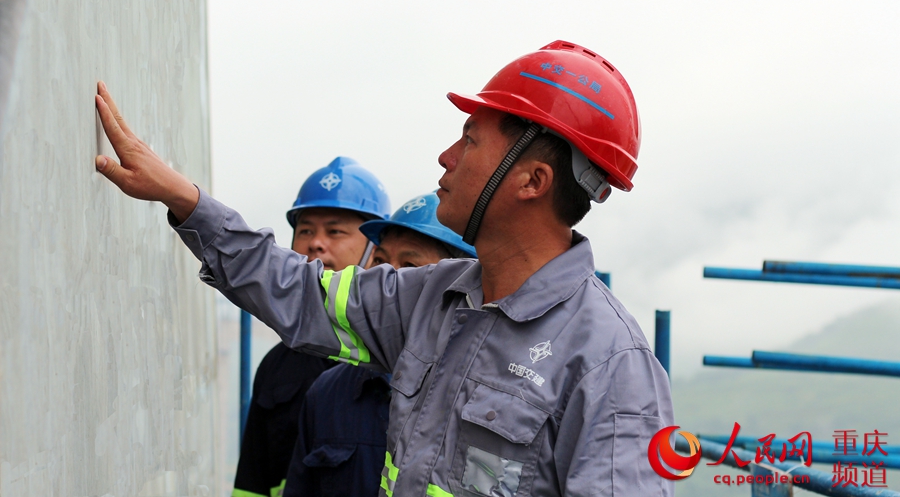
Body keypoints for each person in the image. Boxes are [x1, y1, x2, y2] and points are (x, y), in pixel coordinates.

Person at [94, 40, 676, 496]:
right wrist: (185, 200)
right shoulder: (429, 301)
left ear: (532, 181)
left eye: (470, 141)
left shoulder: (611, 368)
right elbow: (296, 291)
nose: (446, 157)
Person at [283, 192, 476, 497]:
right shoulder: (329, 392)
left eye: (410, 265)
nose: (387, 278)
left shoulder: (483, 402)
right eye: (380, 260)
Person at [233, 157, 391, 497]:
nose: (316, 243)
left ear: (375, 251)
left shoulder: (399, 361)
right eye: (305, 230)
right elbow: (251, 483)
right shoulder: (277, 364)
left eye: (335, 231)